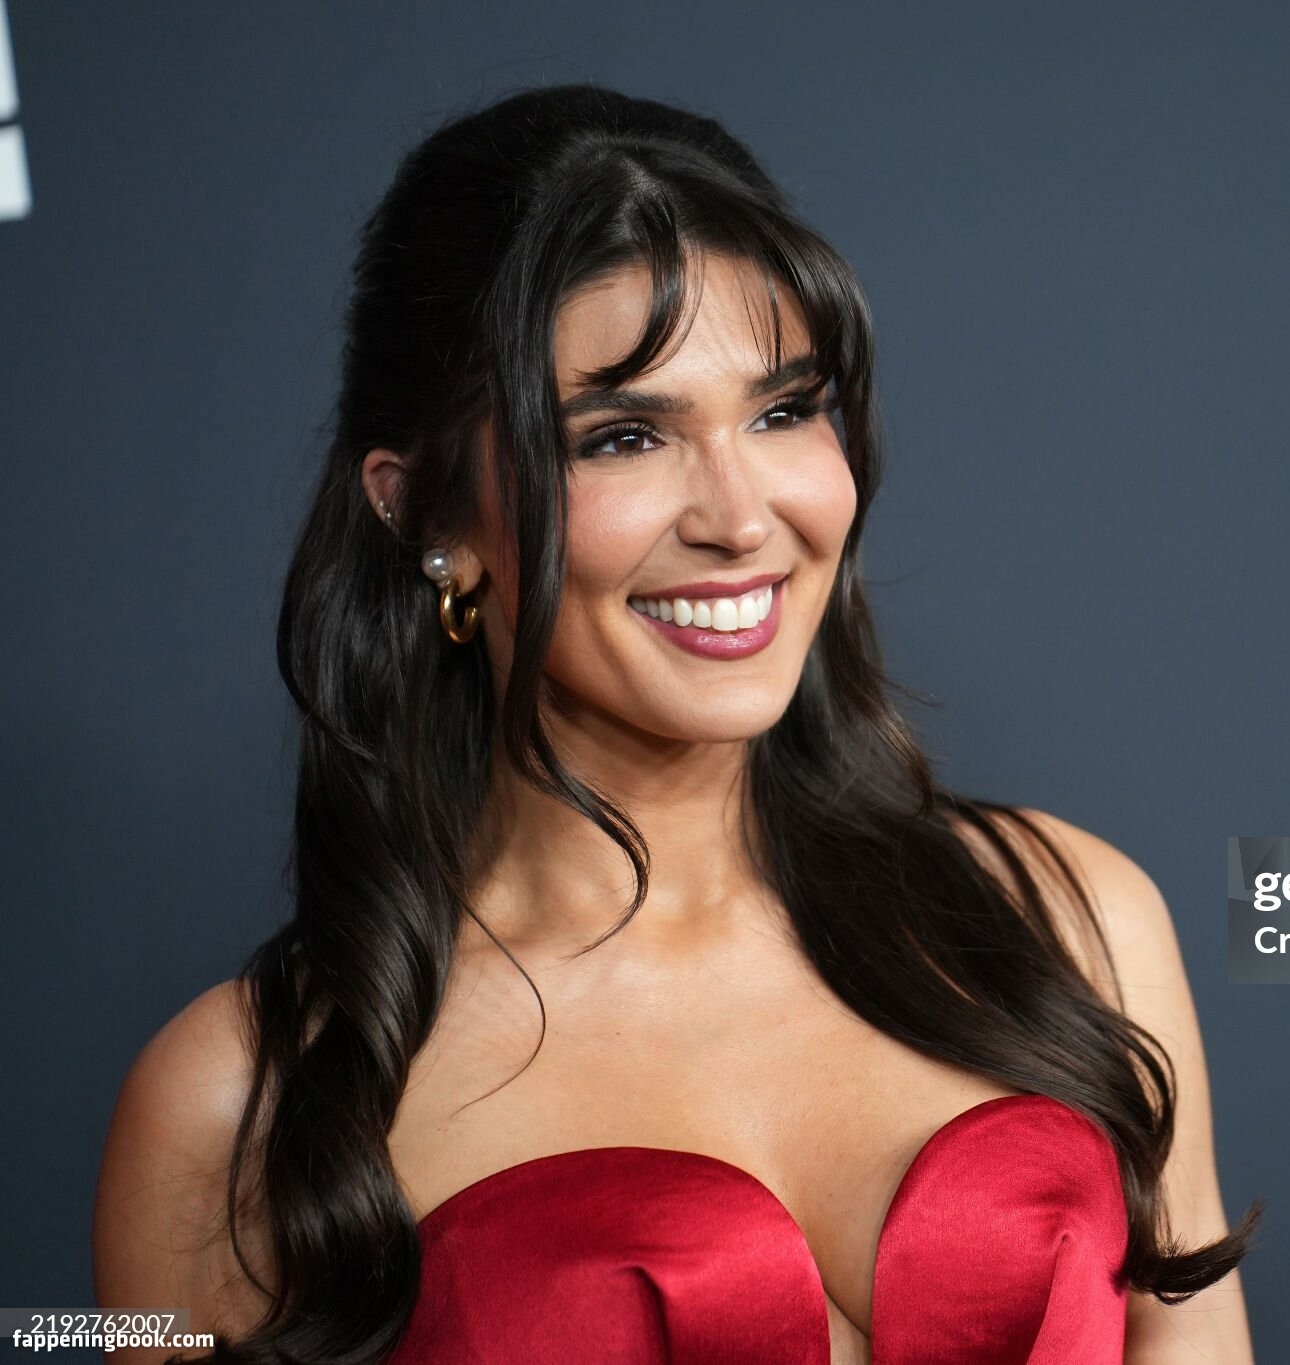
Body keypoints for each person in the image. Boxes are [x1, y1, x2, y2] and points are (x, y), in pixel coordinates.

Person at [92, 83, 1262, 1365]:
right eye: (623, 437)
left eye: (783, 411)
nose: (741, 518)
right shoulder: (235, 1108)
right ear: (428, 514)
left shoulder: (1073, 920)